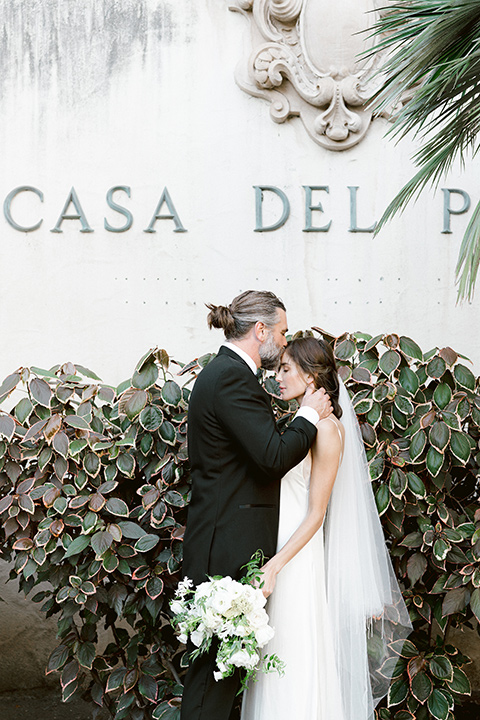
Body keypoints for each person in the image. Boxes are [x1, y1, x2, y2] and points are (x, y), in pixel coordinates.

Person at [241, 336, 412, 720]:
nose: (277, 378)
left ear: (312, 376)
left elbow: (317, 513)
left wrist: (275, 565)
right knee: (275, 658)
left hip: (296, 559)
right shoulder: (302, 423)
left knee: (293, 655)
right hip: (281, 552)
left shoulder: (327, 430)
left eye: (286, 369)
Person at [181, 292, 333, 720]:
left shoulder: (228, 374)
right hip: (226, 547)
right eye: (282, 333)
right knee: (213, 678)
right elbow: (269, 457)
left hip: (226, 540)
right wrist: (306, 415)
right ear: (260, 330)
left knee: (219, 675)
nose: (284, 344)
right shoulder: (231, 377)